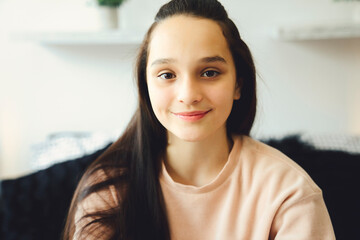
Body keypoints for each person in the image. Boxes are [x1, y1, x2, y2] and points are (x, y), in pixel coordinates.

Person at [63, 0, 335, 239]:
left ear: (238, 85)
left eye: (209, 72)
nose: (188, 95)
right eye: (167, 75)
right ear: (146, 87)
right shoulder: (109, 190)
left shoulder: (289, 192)